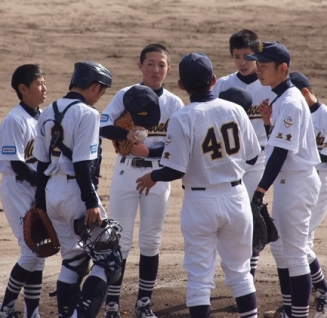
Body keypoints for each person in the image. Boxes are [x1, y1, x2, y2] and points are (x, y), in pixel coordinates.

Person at [135, 53, 262, 318]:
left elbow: (174, 169)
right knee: (240, 273)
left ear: (181, 85)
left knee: (200, 278)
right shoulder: (236, 110)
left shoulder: (183, 117)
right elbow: (252, 157)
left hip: (201, 203)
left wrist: (152, 176)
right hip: (237, 198)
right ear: (213, 80)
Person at [99, 44, 185, 318]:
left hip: (157, 175)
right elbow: (102, 125)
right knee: (119, 241)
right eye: (150, 63)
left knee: (150, 241)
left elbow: (180, 144)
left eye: (161, 64)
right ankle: (112, 304)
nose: (156, 70)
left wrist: (150, 152)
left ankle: (144, 303)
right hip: (126, 173)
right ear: (140, 66)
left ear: (168, 68)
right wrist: (125, 135)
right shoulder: (126, 95)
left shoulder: (174, 103)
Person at [33, 61, 118, 318]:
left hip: (52, 193)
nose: (100, 97)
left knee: (73, 260)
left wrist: (40, 205)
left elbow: (41, 164)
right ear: (94, 87)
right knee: (109, 259)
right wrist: (91, 202)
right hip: (76, 193)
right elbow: (83, 164)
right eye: (102, 91)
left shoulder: (47, 111)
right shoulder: (88, 114)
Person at [243, 42, 322, 318]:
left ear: (282, 68)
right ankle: (291, 310)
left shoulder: (289, 101)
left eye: (264, 66)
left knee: (296, 253)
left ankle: (297, 314)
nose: (259, 70)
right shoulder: (282, 98)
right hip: (291, 182)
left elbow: (280, 153)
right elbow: (282, 142)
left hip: (297, 183)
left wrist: (259, 191)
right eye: (258, 65)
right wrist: (267, 122)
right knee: (283, 249)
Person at [273, 72, 327, 318]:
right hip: (293, 183)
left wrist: (304, 154)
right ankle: (293, 306)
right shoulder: (293, 112)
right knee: (284, 244)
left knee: (299, 245)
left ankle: (325, 294)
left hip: (317, 183)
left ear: (305, 92)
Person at [212, 29, 275, 277]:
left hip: (259, 159)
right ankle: (236, 268)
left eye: (248, 56)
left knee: (251, 213)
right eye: (237, 57)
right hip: (229, 160)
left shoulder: (268, 85)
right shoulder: (223, 85)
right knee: (229, 216)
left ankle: (249, 272)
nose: (243, 62)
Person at [0, 64, 48, 318]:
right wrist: (44, 184)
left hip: (35, 188)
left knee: (40, 250)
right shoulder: (14, 121)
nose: (44, 88)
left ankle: (31, 312)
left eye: (44, 83)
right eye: (39, 84)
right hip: (17, 188)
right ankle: (5, 308)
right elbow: (17, 164)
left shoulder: (44, 117)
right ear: (23, 89)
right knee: (31, 251)